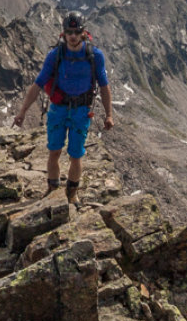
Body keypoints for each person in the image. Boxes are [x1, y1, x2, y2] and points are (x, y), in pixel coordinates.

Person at [12, 13, 112, 203]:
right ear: (63, 33)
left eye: (76, 32)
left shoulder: (95, 56)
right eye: (69, 32)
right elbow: (38, 84)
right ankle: (52, 190)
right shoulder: (55, 55)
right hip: (58, 109)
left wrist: (109, 115)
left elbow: (104, 86)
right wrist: (22, 112)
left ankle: (72, 194)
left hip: (81, 111)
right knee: (54, 151)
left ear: (83, 33)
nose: (73, 36)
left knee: (76, 154)